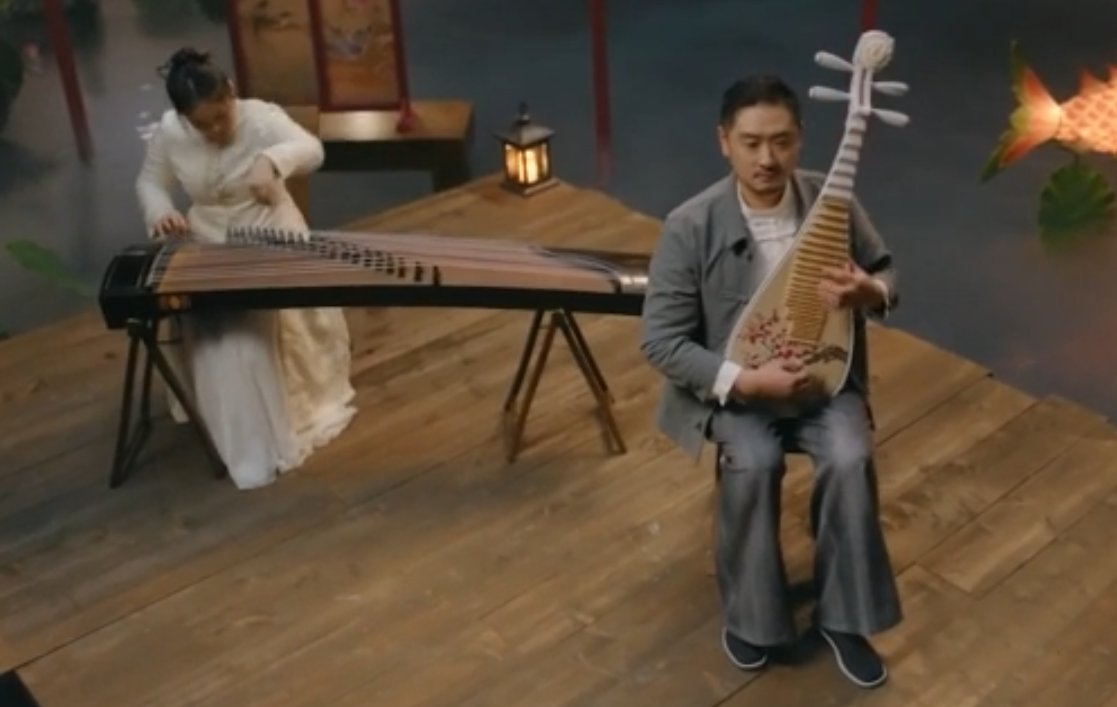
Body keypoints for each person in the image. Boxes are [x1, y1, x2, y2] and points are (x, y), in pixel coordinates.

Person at [639, 76, 903, 689]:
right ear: (723, 141)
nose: (767, 159)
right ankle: (752, 616)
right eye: (751, 142)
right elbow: (661, 342)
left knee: (850, 455)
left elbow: (887, 273)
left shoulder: (832, 205)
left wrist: (870, 291)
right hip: (738, 390)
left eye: (782, 141)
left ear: (801, 139)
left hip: (823, 380)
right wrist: (747, 380)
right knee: (754, 462)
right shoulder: (690, 225)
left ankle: (845, 617)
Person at [135, 47, 357, 490]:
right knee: (222, 337)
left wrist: (270, 161)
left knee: (256, 332)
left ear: (231, 93)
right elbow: (149, 182)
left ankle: (277, 419)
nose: (216, 130)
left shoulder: (260, 119)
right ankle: (234, 423)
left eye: (221, 116)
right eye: (202, 125)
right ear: (184, 119)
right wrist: (161, 212)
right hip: (208, 241)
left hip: (270, 233)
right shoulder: (171, 133)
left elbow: (311, 149)